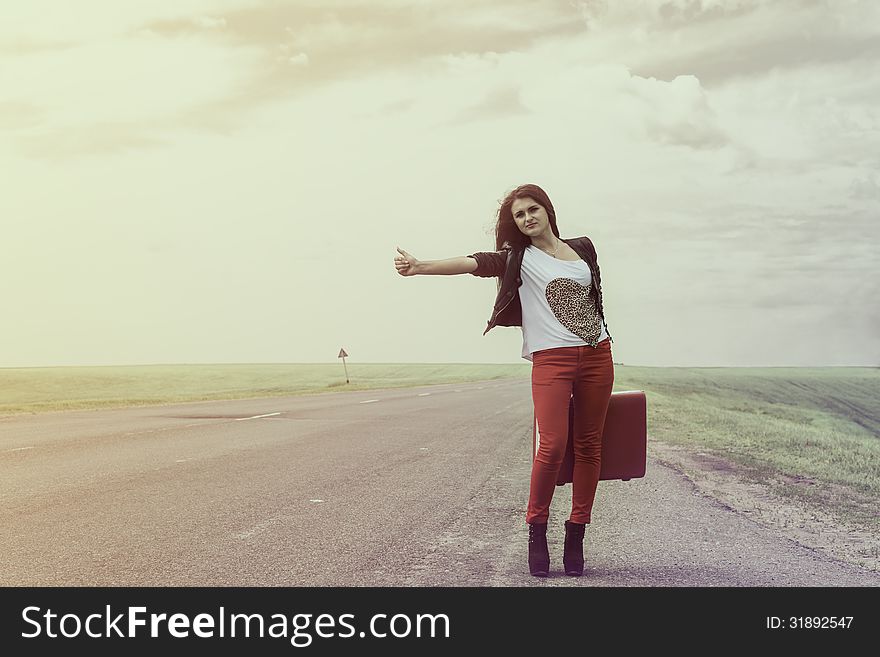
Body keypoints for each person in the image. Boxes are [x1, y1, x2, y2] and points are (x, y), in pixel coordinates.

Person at [393, 183, 615, 578]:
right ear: (514, 223)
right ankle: (537, 529)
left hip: (599, 354)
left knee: (589, 446)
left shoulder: (582, 248)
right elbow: (473, 262)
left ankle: (577, 532)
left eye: (533, 209)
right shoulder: (518, 257)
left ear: (547, 210)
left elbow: (593, 296)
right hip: (552, 359)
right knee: (552, 446)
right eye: (519, 215)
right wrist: (421, 266)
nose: (528, 218)